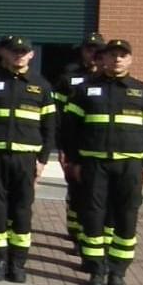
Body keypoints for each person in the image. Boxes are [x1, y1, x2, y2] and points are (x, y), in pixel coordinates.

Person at [61, 38, 143, 285]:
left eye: (122, 55)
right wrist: (74, 162)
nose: (117, 59)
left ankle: (117, 273)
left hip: (129, 167)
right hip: (94, 165)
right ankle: (96, 270)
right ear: (102, 59)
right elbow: (69, 130)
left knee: (126, 219)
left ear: (130, 59)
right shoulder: (84, 90)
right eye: (112, 55)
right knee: (93, 218)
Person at [0, 35, 56, 283]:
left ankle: (17, 262)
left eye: (24, 51)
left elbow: (49, 128)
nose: (19, 55)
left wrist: (42, 160)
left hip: (26, 159)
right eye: (14, 51)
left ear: (31, 55)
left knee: (21, 210)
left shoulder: (41, 86)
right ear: (4, 53)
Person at [54, 32, 105, 248]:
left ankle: (88, 233)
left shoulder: (108, 79)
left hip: (98, 144)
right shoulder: (69, 76)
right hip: (75, 141)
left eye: (96, 49)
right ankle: (75, 233)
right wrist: (62, 145)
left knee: (95, 194)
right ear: (83, 51)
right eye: (89, 48)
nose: (92, 52)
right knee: (75, 189)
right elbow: (58, 113)